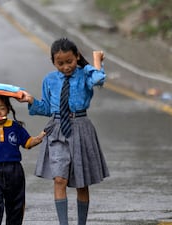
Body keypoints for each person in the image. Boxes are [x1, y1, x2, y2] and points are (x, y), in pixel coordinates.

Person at [18, 37, 109, 225]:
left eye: (70, 61)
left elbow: (99, 79)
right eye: (60, 63)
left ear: (77, 57)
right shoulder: (49, 80)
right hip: (57, 129)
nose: (66, 67)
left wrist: (95, 60)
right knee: (59, 179)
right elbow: (47, 108)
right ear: (53, 62)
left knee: (81, 183)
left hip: (81, 128)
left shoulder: (85, 74)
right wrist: (31, 101)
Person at [0, 94, 46, 225]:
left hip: (14, 171)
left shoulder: (15, 126)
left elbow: (27, 143)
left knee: (16, 206)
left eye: (2, 108)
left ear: (8, 109)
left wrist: (39, 138)